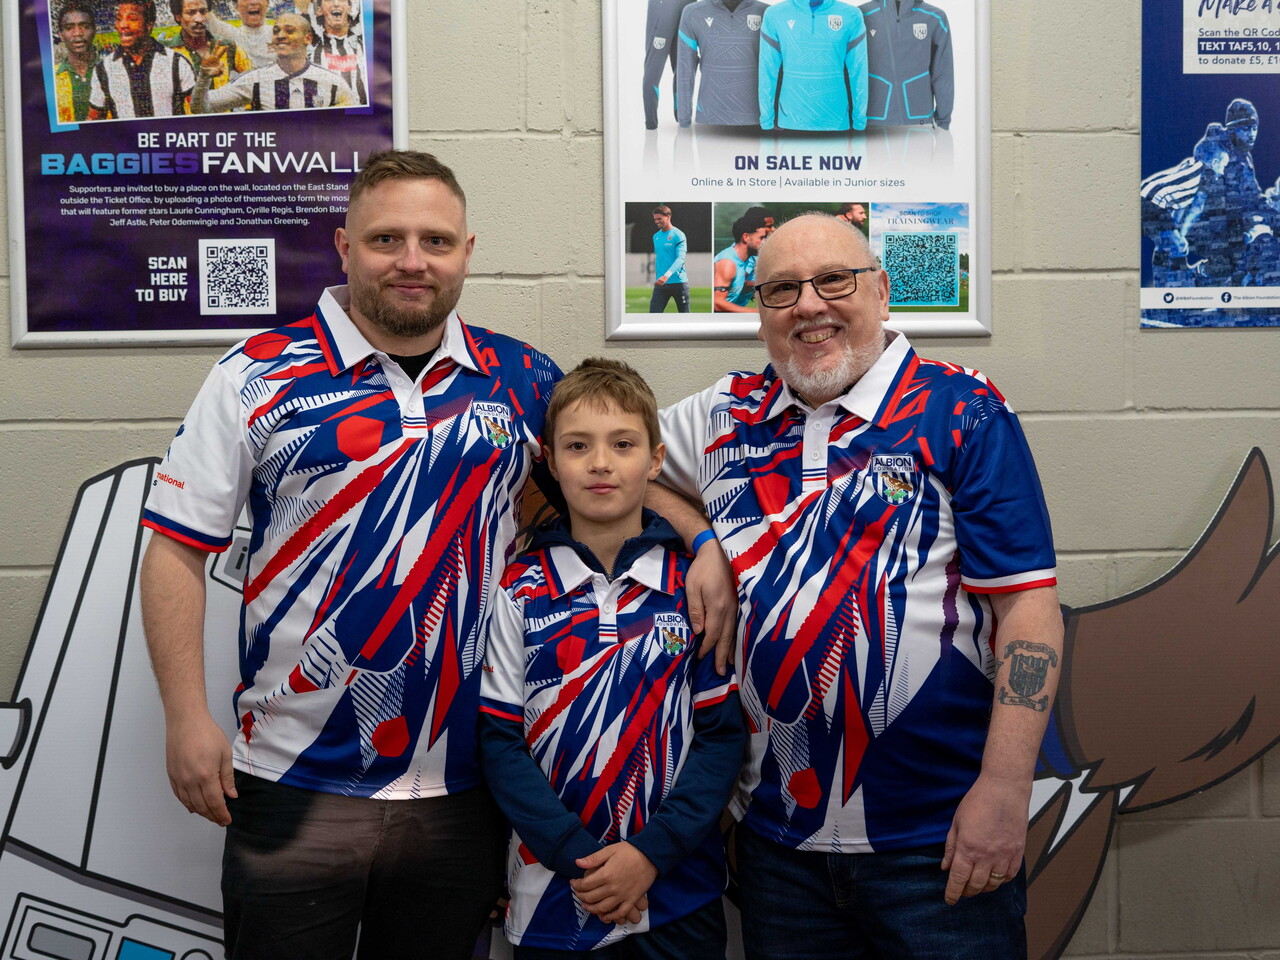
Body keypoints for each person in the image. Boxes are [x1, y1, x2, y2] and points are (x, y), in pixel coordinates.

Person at [139, 151, 564, 960]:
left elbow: (617, 473)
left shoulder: (524, 377)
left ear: (467, 251)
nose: (412, 261)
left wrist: (698, 540)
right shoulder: (255, 375)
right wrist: (185, 717)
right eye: (387, 239)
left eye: (436, 241)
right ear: (343, 247)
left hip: (467, 786)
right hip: (290, 776)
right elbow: (174, 551)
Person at [653, 213, 1063, 959]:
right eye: (781, 290)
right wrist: (699, 532)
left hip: (937, 840)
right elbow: (604, 468)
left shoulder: (963, 410)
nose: (809, 306)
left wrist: (1005, 792)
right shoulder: (722, 416)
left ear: (880, 292)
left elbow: (1028, 609)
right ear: (759, 313)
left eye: (833, 281)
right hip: (779, 844)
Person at [479, 358, 745, 957]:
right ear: (548, 460)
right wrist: (580, 861)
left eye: (622, 444)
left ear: (654, 462)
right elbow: (500, 745)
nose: (600, 462)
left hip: (677, 896)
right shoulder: (515, 590)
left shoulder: (695, 591)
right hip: (554, 898)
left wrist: (649, 855)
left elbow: (721, 739)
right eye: (578, 446)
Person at [191, 13, 353, 112]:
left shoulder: (333, 83)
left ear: (308, 38)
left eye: (289, 31)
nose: (281, 35)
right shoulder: (254, 80)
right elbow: (200, 108)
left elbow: (354, 121)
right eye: (276, 31)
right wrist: (204, 76)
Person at [1140, 124, 1229, 287]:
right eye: (1223, 165)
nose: (1223, 171)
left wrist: (1176, 233)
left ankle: (1163, 284)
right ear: (1215, 162)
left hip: (1145, 199)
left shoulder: (1189, 165)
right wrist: (1182, 237)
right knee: (1179, 246)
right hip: (1152, 204)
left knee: (1165, 245)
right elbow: (1195, 210)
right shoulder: (1207, 175)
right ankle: (1173, 285)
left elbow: (1176, 206)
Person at [87, 0, 196, 119]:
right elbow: (94, 119)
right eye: (119, 19)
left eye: (132, 19)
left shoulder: (177, 63)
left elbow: (199, 110)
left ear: (149, 25)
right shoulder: (104, 68)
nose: (122, 25)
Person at [166, 0, 250, 89]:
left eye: (203, 12)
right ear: (178, 17)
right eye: (191, 13)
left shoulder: (228, 46)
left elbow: (252, 82)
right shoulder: (167, 52)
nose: (199, 19)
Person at [308, 0, 367, 104]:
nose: (336, 3)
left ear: (349, 8)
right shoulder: (310, 50)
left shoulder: (367, 45)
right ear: (319, 10)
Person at [53, 0, 100, 123]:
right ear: (61, 35)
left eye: (84, 26)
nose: (78, 33)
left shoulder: (113, 71)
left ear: (95, 30)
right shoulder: (51, 77)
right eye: (69, 28)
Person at [713, 212, 768, 312]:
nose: (764, 242)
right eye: (761, 238)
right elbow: (717, 303)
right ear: (746, 237)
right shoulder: (728, 263)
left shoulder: (744, 261)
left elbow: (741, 284)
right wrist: (757, 313)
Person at [206, 0, 274, 68]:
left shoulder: (280, 35)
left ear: (268, 3)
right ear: (236, 6)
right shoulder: (231, 35)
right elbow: (206, 14)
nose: (253, 2)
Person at [649, 205, 690, 313]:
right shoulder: (655, 237)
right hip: (661, 284)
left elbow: (680, 259)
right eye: (655, 219)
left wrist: (666, 276)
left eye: (659, 219)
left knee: (685, 318)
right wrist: (661, 277)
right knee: (653, 317)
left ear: (668, 217)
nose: (657, 221)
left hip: (679, 283)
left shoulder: (679, 235)